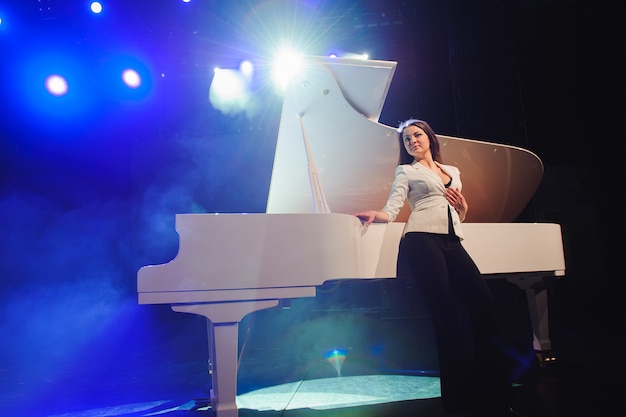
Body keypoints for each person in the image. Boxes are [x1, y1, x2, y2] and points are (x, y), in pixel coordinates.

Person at [354, 119, 523, 417]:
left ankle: (495, 393)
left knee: (484, 307)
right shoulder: (405, 171)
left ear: (429, 138)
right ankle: (459, 404)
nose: (412, 141)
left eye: (417, 135)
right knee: (447, 319)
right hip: (421, 240)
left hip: (452, 240)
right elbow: (393, 209)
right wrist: (376, 213)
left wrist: (464, 208)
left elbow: (459, 211)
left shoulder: (453, 172)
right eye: (407, 139)